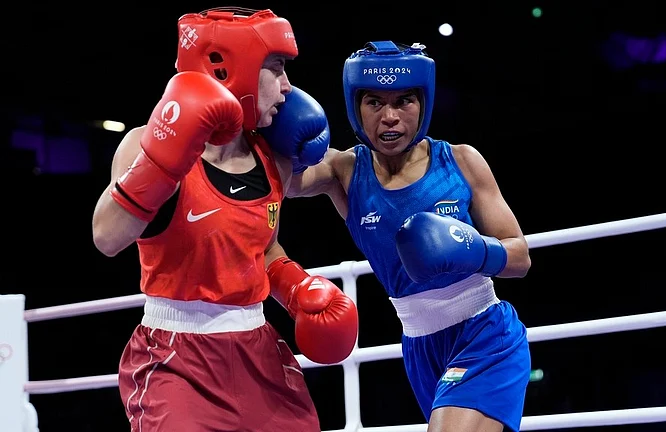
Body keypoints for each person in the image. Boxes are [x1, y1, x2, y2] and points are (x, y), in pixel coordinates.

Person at [91, 7, 358, 432]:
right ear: (229, 70)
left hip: (258, 348)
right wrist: (162, 162)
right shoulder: (146, 144)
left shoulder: (274, 157)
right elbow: (106, 237)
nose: (288, 87)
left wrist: (296, 287)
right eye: (276, 69)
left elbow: (262, 246)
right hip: (175, 357)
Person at [277, 41, 532, 431]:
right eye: (375, 103)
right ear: (356, 107)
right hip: (419, 346)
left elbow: (521, 258)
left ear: (423, 104)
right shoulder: (344, 170)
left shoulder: (461, 161)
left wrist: (474, 250)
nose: (390, 117)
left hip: (485, 334)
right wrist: (276, 133)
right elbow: (280, 184)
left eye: (404, 102)